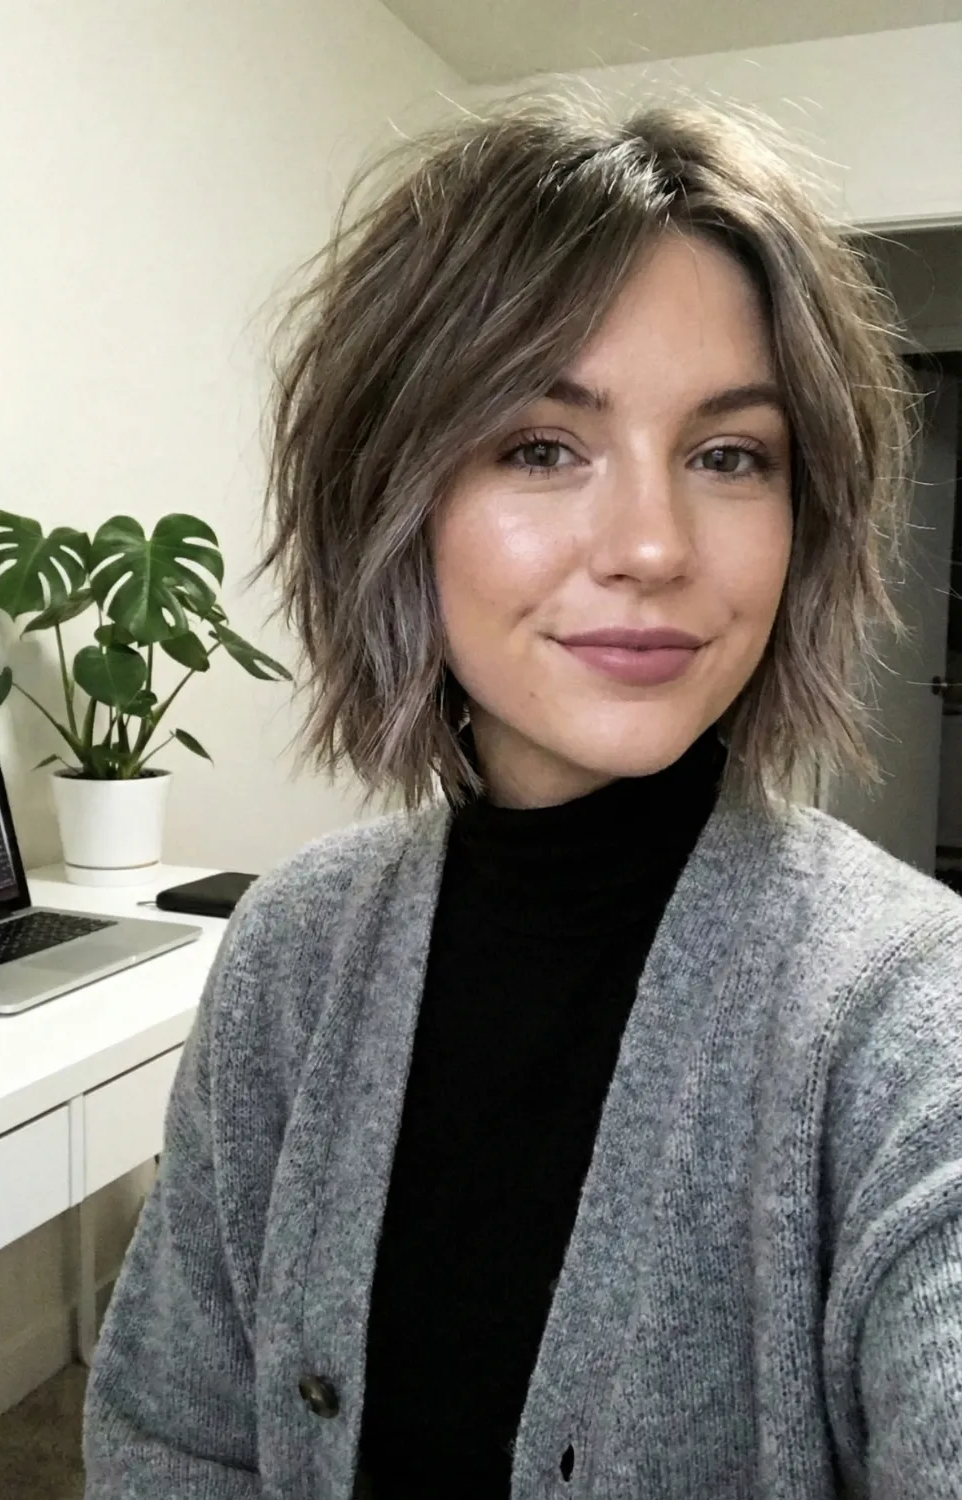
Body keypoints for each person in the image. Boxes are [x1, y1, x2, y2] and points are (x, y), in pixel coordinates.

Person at [83, 91, 962, 1500]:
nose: (653, 544)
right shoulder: (299, 948)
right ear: (396, 492)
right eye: (542, 447)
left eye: (730, 454)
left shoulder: (907, 1017)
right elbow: (171, 1433)